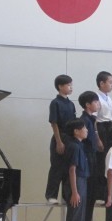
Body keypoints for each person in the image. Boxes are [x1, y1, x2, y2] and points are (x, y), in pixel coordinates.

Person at [61, 119, 90, 221]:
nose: (86, 130)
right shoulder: (73, 146)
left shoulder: (80, 146)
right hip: (76, 183)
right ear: (76, 131)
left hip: (81, 182)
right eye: (84, 128)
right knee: (74, 220)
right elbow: (72, 170)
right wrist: (74, 192)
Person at [45, 74, 76, 205]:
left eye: (71, 85)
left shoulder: (71, 104)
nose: (71, 87)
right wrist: (58, 141)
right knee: (56, 167)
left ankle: (66, 195)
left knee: (69, 168)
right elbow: (54, 123)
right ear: (60, 86)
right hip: (60, 136)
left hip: (70, 138)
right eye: (68, 85)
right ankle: (51, 195)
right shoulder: (55, 103)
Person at [78, 91, 101, 221]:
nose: (98, 104)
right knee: (87, 192)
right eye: (96, 102)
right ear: (87, 104)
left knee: (92, 191)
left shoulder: (91, 120)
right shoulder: (84, 120)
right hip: (87, 158)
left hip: (92, 157)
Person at [95, 71, 112, 203]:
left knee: (108, 161)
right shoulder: (96, 97)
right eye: (110, 82)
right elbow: (95, 120)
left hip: (109, 128)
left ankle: (107, 193)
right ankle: (99, 194)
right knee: (101, 162)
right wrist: (98, 139)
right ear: (101, 83)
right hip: (101, 128)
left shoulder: (109, 98)